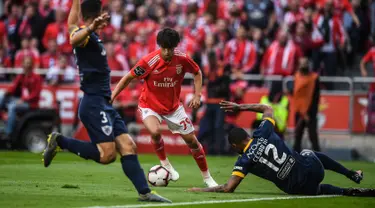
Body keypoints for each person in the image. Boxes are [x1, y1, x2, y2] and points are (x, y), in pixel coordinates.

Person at [42, 0, 170, 203]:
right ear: (98, 15)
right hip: (93, 103)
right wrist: (91, 26)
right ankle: (60, 141)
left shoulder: (86, 32)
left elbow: (71, 24)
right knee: (107, 155)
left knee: (128, 145)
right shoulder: (86, 37)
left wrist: (76, 2)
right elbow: (74, 38)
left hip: (103, 103)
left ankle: (145, 193)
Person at [188, 101, 375, 197]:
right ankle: (350, 176)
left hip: (294, 188)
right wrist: (239, 107)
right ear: (247, 136)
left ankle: (346, 188)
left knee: (313, 186)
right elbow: (267, 107)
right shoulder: (264, 131)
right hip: (312, 170)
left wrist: (201, 190)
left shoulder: (244, 161)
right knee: (306, 154)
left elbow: (228, 188)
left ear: (236, 145)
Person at [111, 28, 218, 187]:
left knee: (193, 142)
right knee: (154, 131)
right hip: (149, 105)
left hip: (174, 108)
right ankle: (166, 164)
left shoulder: (182, 59)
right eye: (164, 48)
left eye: (171, 48)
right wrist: (112, 97)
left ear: (176, 46)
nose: (167, 52)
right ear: (159, 45)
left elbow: (197, 72)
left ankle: (208, 178)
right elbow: (127, 78)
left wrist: (197, 95)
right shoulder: (149, 61)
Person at [0, 56, 42, 139]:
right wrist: (6, 93)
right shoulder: (21, 76)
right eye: (26, 63)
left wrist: (24, 100)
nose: (27, 65)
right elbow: (13, 88)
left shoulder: (36, 78)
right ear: (23, 64)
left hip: (31, 103)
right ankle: (3, 121)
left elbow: (36, 94)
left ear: (32, 65)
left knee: (12, 106)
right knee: (1, 97)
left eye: (29, 63)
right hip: (21, 101)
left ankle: (8, 133)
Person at [293, 57, 320, 152]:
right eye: (301, 63)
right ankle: (295, 158)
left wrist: (311, 112)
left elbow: (316, 97)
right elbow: (296, 95)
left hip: (310, 111)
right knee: (297, 136)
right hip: (299, 110)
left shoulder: (314, 78)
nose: (303, 65)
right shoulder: (296, 77)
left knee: (313, 136)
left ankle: (319, 158)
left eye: (305, 63)